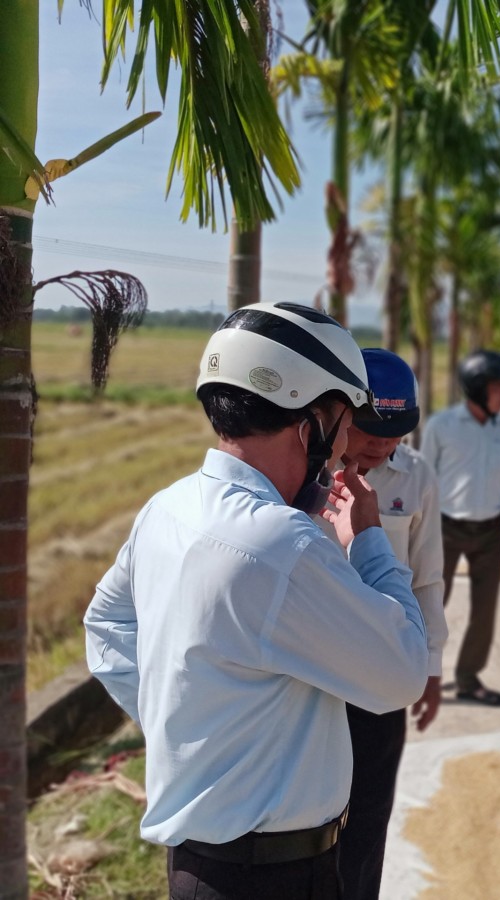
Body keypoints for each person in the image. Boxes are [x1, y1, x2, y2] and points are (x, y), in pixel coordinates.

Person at [84, 302, 429, 900]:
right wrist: (368, 540)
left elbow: (107, 623)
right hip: (274, 876)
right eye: (344, 419)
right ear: (311, 420)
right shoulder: (282, 544)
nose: (349, 440)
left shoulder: (167, 507)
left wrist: (184, 722)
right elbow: (402, 673)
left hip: (198, 870)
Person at [315, 348, 448, 900]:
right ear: (344, 415)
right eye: (371, 432)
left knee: (368, 818)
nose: (382, 446)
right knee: (310, 819)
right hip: (314, 675)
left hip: (382, 676)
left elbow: (426, 578)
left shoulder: (414, 477)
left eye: (395, 435)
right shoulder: (305, 475)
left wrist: (432, 665)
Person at [421, 349, 500, 705]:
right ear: (478, 387)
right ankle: (416, 673)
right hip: (445, 529)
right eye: (499, 386)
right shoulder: (442, 426)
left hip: (491, 531)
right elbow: (424, 478)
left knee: (484, 612)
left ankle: (468, 679)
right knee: (431, 604)